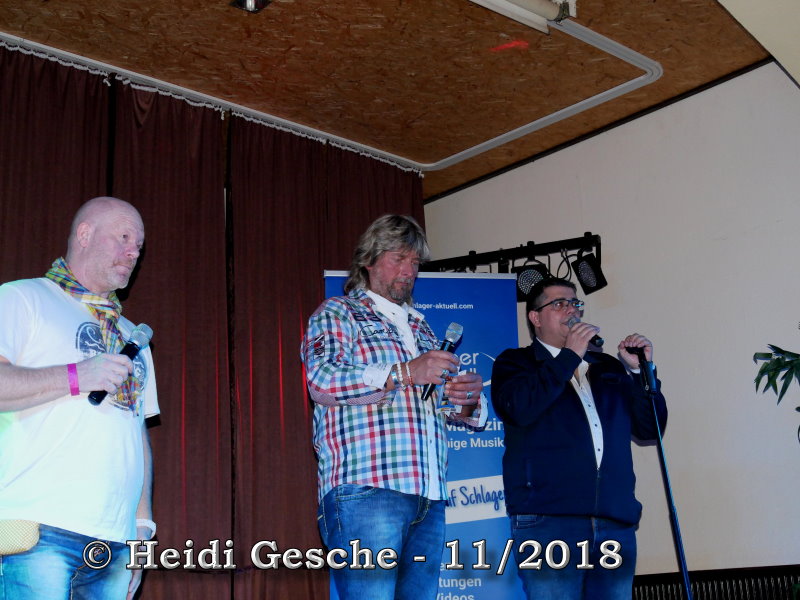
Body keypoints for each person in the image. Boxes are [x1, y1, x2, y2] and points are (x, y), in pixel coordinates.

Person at [301, 214, 486, 600]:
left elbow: (436, 406)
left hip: (429, 496)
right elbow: (322, 380)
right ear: (368, 260)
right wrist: (404, 372)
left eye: (415, 262)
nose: (409, 271)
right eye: (399, 258)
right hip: (368, 490)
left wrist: (465, 403)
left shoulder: (422, 328)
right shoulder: (338, 312)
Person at [0, 197, 159, 600]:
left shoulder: (131, 336)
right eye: (124, 238)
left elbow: (135, 433)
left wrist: (142, 530)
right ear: (85, 234)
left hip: (114, 543)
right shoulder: (22, 298)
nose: (134, 252)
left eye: (139, 245)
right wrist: (77, 376)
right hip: (36, 528)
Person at [491, 277, 667, 600]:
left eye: (575, 303)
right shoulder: (515, 363)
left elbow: (650, 427)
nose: (571, 310)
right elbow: (520, 408)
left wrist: (640, 372)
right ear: (535, 317)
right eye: (559, 304)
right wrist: (569, 356)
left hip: (613, 521)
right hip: (548, 521)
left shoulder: (607, 368)